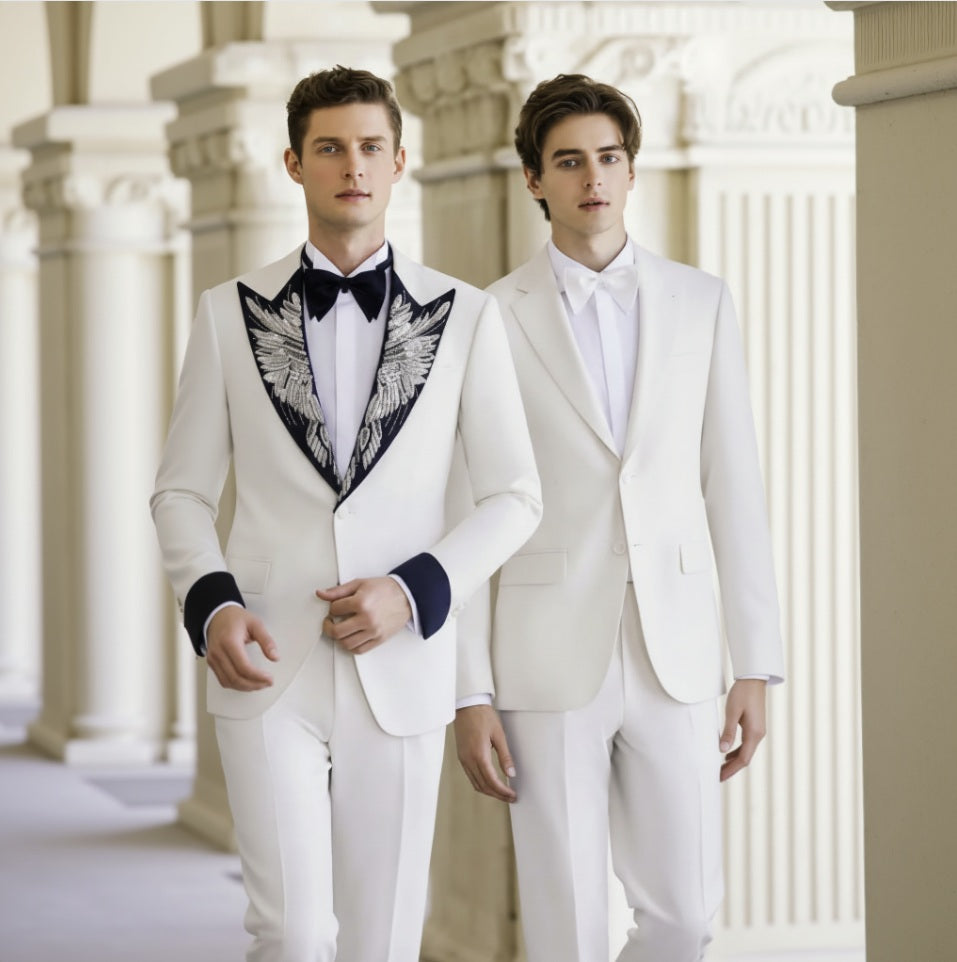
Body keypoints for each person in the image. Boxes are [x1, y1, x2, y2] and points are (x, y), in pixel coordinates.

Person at [150, 65, 541, 962]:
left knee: (382, 939)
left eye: (369, 147)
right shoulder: (226, 315)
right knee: (287, 933)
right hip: (266, 663)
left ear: (400, 161)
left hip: (400, 665)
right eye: (329, 147)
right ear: (293, 163)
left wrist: (413, 591)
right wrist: (211, 602)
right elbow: (180, 488)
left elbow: (516, 495)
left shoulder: (466, 316)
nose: (351, 166)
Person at [453, 73, 786, 962]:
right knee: (564, 924)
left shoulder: (700, 301)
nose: (591, 178)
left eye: (607, 158)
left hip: (675, 651)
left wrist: (755, 665)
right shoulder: (488, 317)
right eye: (568, 162)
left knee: (685, 916)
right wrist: (468, 687)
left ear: (630, 171)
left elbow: (734, 485)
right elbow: (468, 510)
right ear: (534, 179)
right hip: (541, 651)